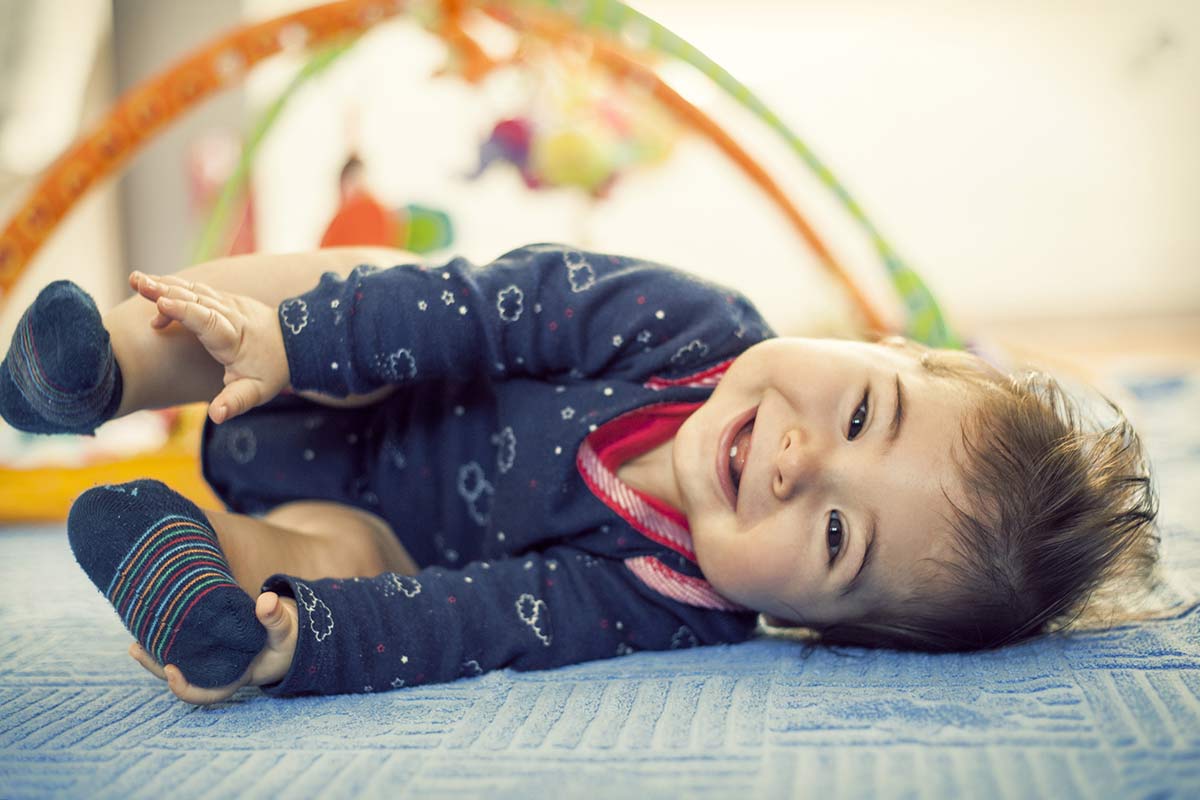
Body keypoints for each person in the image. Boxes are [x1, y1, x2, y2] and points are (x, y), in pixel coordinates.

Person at [0, 244, 1159, 705]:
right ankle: (98, 370)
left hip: (370, 520)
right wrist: (296, 347)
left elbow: (476, 620)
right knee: (349, 286)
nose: (803, 461)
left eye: (839, 538)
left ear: (820, 625)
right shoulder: (689, 327)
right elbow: (484, 306)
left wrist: (309, 644)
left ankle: (200, 584)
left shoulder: (676, 599)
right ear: (885, 346)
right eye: (862, 408)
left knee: (344, 563)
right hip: (365, 370)